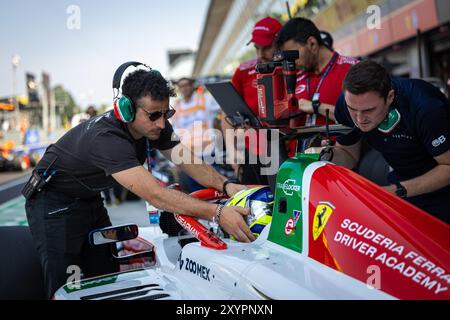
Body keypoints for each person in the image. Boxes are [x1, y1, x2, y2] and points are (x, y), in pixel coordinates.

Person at [25, 65, 255, 299]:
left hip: (88, 198)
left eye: (166, 114)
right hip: (53, 203)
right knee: (66, 286)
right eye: (154, 115)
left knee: (107, 276)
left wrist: (227, 185)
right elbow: (156, 195)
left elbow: (187, 160)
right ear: (127, 109)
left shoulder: (157, 125)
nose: (162, 124)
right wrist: (217, 213)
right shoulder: (106, 139)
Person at [329, 60, 450, 224]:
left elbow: (448, 167)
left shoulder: (425, 107)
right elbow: (348, 155)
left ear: (390, 97)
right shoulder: (344, 105)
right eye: (352, 109)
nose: (359, 119)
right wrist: (325, 156)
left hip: (441, 186)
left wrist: (397, 190)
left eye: (369, 110)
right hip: (402, 183)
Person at [275, 18, 358, 152]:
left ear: (312, 44)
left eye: (294, 55)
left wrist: (315, 107)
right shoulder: (293, 75)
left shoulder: (351, 69)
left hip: (336, 159)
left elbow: (360, 119)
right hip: (296, 163)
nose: (291, 62)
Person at [221, 16, 282, 185]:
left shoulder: (294, 69)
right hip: (254, 154)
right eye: (257, 48)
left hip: (288, 153)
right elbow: (227, 114)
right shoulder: (243, 71)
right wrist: (233, 153)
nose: (261, 54)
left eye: (267, 47)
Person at [172, 77, 220, 192]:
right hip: (189, 154)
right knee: (197, 190)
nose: (184, 88)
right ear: (178, 89)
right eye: (181, 86)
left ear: (192, 86)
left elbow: (223, 108)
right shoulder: (176, 107)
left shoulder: (205, 99)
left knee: (214, 186)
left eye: (186, 85)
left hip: (208, 151)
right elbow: (175, 132)